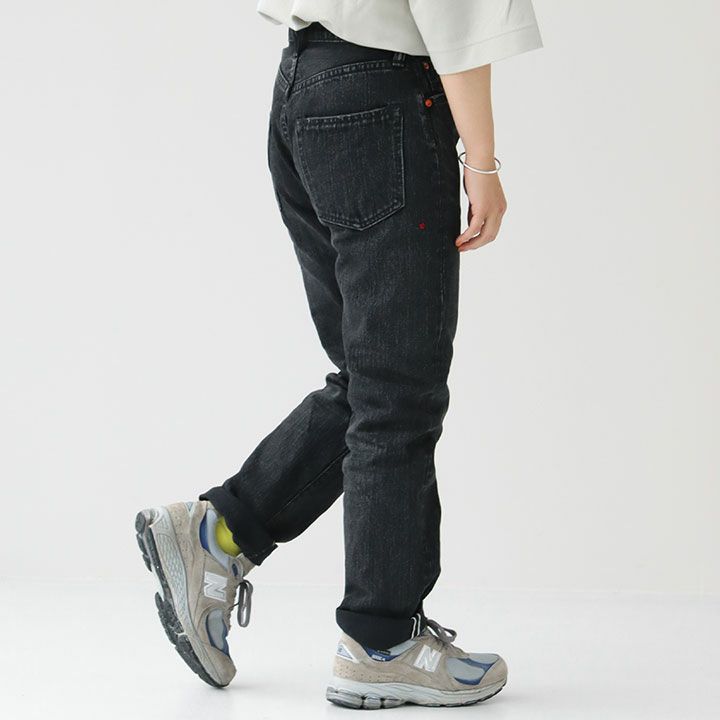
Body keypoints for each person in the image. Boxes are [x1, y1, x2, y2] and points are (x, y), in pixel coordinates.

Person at [134, 0, 543, 709]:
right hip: (382, 99)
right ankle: (382, 643)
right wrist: (482, 161)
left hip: (304, 89)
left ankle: (217, 533)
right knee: (397, 391)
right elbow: (458, 13)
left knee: (371, 380)